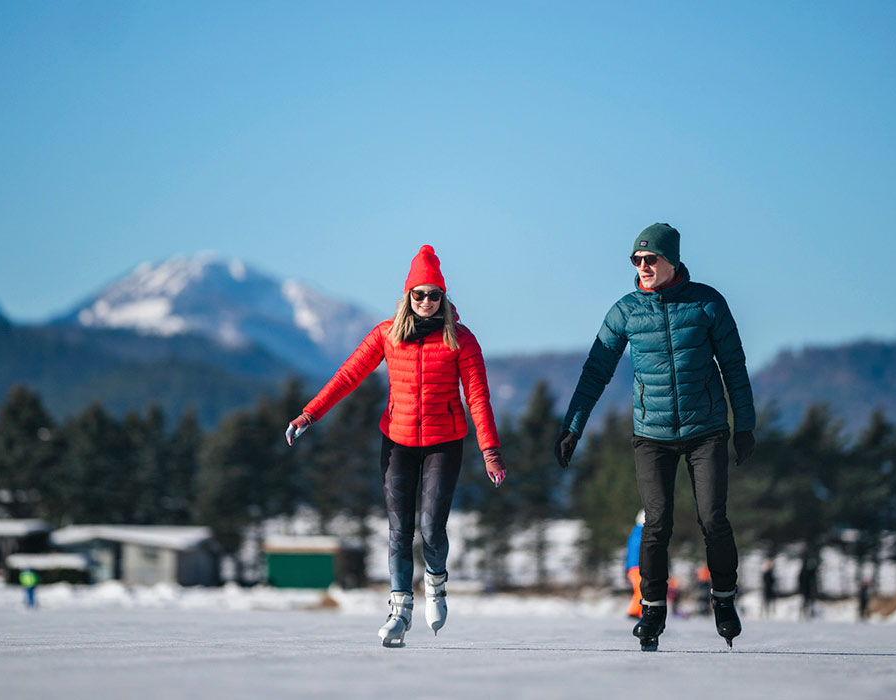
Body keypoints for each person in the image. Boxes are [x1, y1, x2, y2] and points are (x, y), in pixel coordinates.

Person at [286, 245, 505, 648]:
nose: (425, 302)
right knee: (399, 530)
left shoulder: (462, 340)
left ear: (444, 298)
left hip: (444, 442)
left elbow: (477, 396)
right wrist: (309, 414)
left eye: (433, 295)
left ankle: (436, 584)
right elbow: (347, 376)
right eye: (418, 294)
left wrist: (489, 450)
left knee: (431, 528)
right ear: (408, 297)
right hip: (397, 441)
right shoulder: (387, 335)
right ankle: (399, 609)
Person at [554, 223, 756, 651]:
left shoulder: (707, 303)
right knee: (656, 522)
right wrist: (573, 426)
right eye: (637, 260)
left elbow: (734, 367)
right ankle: (652, 609)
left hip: (706, 430)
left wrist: (746, 425)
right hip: (652, 433)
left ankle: (723, 599)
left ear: (672, 262)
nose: (643, 267)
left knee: (713, 518)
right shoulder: (626, 311)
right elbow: (596, 372)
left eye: (651, 259)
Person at [625, 511, 645, 618]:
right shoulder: (641, 533)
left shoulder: (635, 533)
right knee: (641, 589)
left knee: (640, 589)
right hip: (637, 566)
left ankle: (636, 611)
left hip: (633, 566)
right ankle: (635, 612)